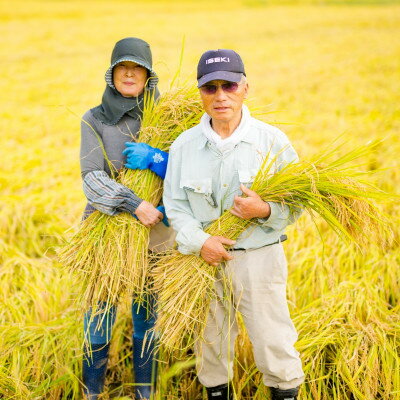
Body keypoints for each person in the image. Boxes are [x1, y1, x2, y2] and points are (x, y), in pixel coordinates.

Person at [163, 49, 305, 400]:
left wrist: (265, 210)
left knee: (274, 343)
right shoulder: (184, 147)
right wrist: (200, 242)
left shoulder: (272, 142)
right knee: (210, 345)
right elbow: (175, 208)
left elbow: (298, 202)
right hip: (203, 262)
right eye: (210, 88)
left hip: (259, 259)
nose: (221, 95)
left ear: (245, 88)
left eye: (229, 85)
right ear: (201, 94)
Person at [80, 37, 173, 400]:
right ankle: (92, 393)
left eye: (138, 68)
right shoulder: (95, 118)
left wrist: (158, 160)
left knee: (146, 315)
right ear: (112, 73)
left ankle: (143, 394)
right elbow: (91, 177)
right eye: (123, 67)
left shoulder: (169, 118)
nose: (130, 73)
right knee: (98, 313)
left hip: (155, 232)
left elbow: (191, 171)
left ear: (149, 76)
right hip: (105, 229)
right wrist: (134, 203)